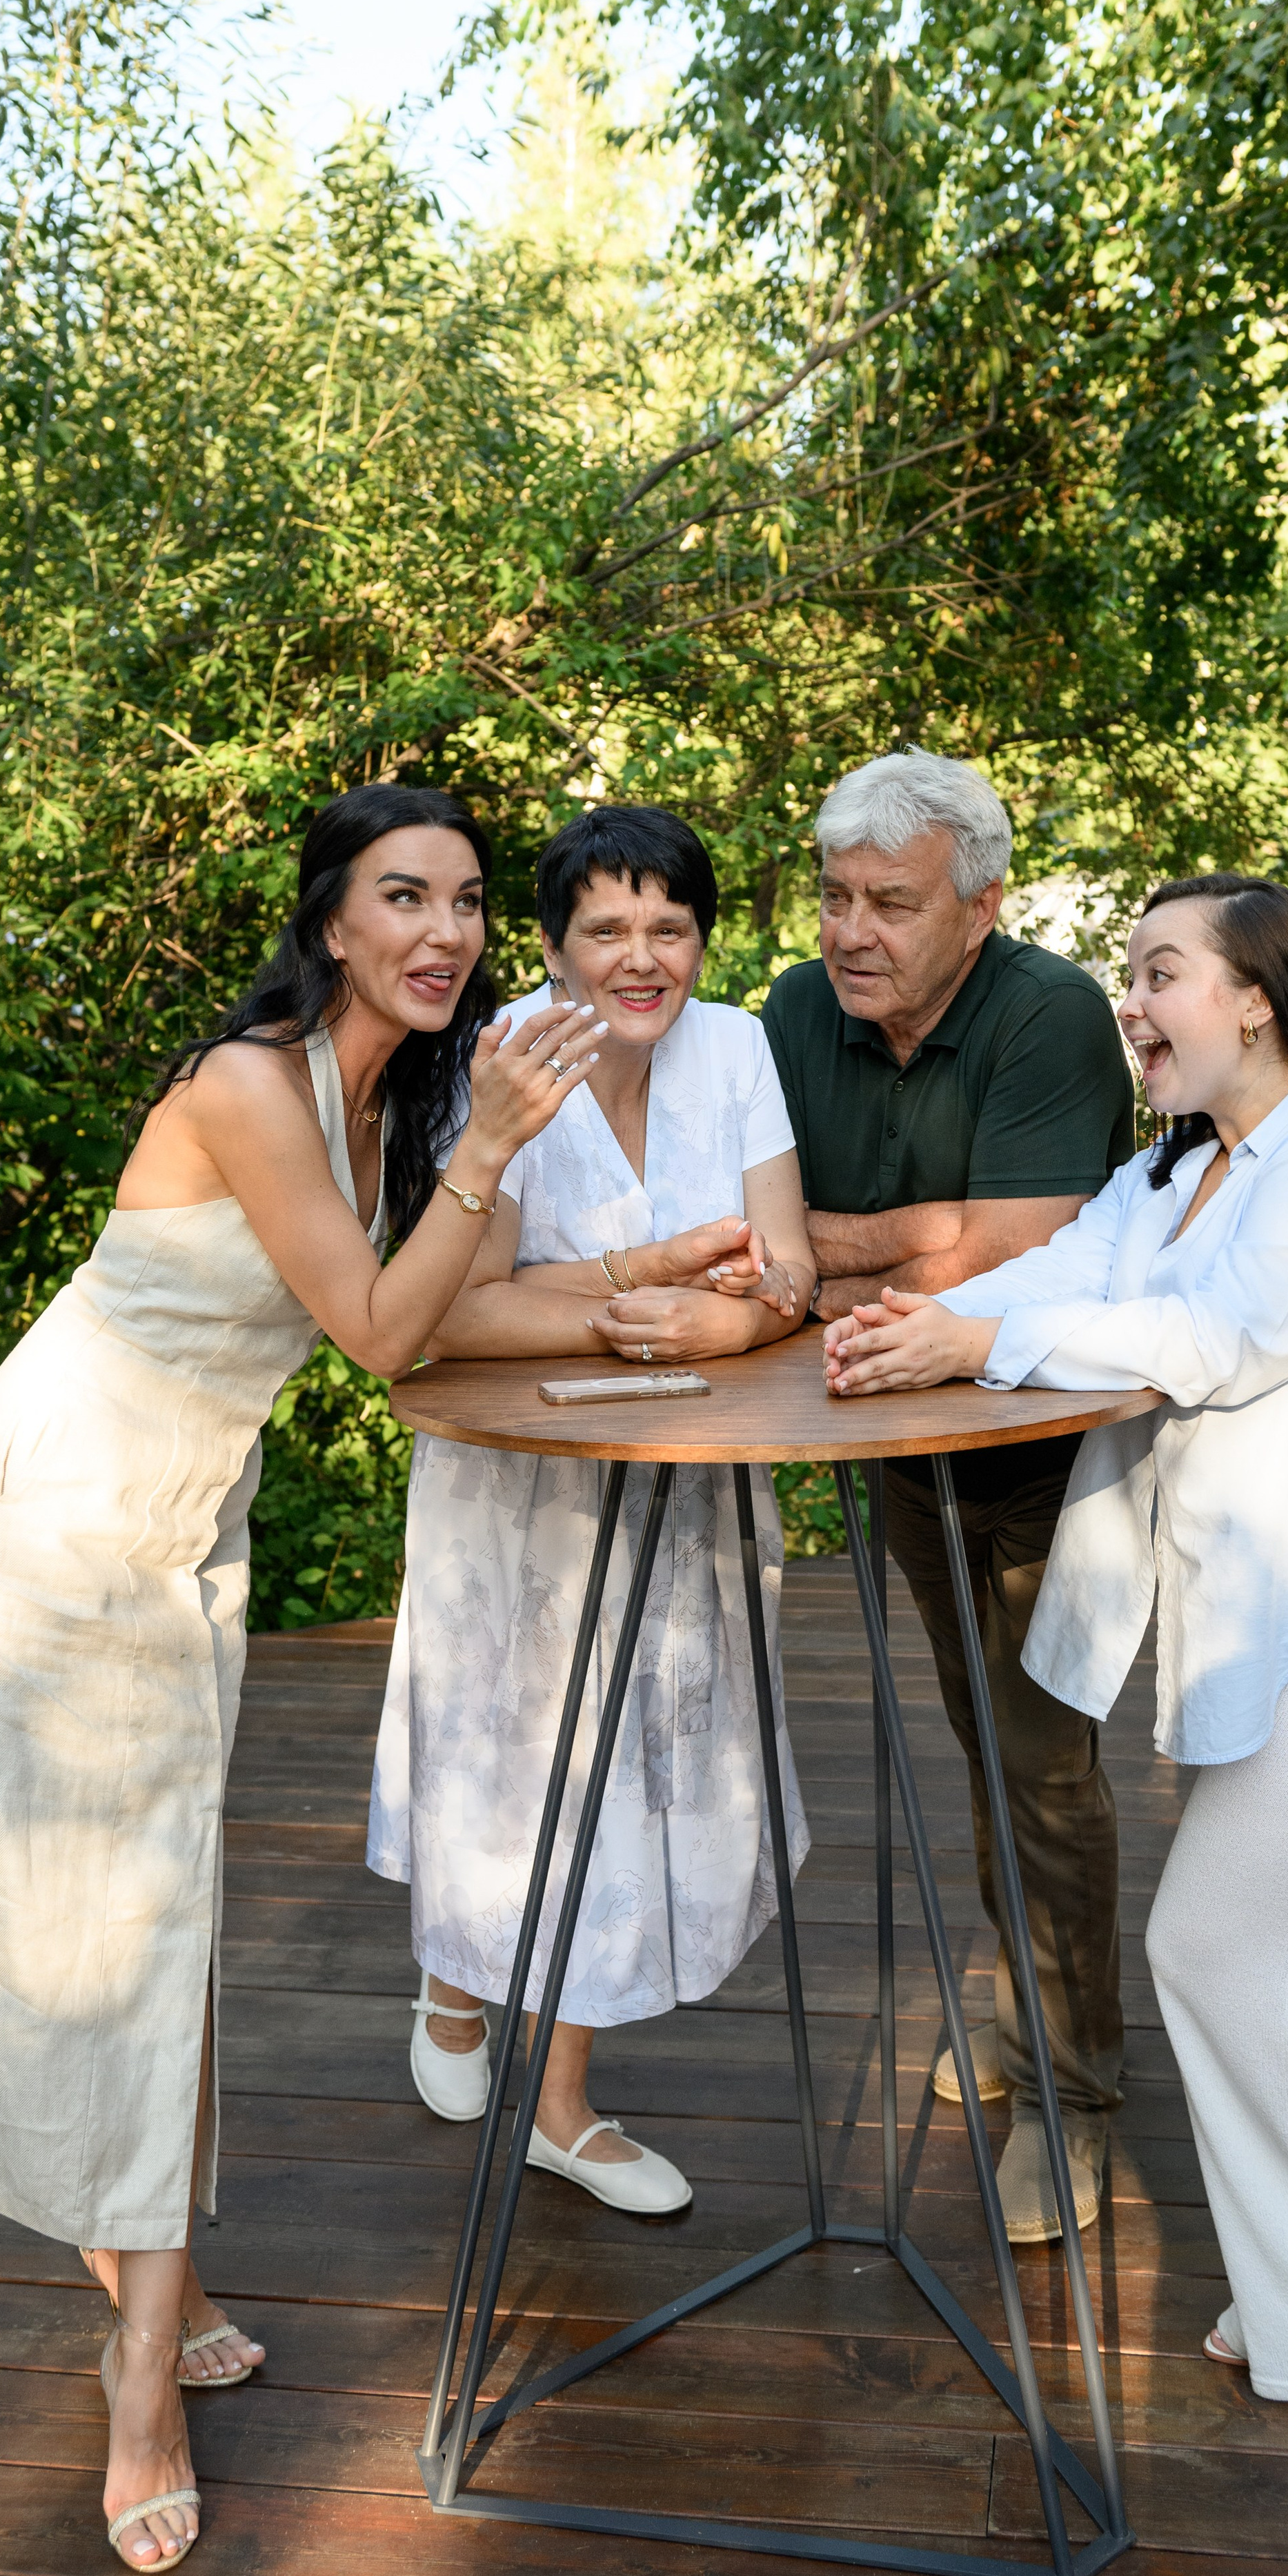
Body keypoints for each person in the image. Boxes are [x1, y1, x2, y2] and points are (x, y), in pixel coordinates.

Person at [0, 784, 606, 2574]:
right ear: (331, 922)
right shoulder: (254, 1088)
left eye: (469, 901)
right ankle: (142, 2377)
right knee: (125, 1931)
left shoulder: (392, 1104)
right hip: (58, 1520)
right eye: (404, 896)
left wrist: (638, 1290)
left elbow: (436, 1314)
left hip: (177, 1526)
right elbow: (385, 1333)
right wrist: (491, 1149)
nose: (447, 931)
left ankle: (144, 2275)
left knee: (134, 1928)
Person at [823, 871, 1288, 2421]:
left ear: (1256, 1001)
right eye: (1127, 974)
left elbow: (1222, 1340)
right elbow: (1057, 1278)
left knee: (1215, 1944)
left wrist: (976, 1341)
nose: (1129, 1004)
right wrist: (918, 1321)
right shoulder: (1170, 1175)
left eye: (1158, 974)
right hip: (1278, 1621)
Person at [368, 804, 817, 2216]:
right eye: (607, 930)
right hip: (519, 1486)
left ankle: (559, 2109)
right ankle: (457, 1981)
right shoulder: (500, 1060)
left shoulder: (736, 1049)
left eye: (669, 929)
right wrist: (653, 1292)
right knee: (509, 1762)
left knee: (622, 1780)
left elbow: (786, 1264)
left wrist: (735, 1323)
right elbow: (452, 1318)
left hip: (686, 1478)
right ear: (553, 948)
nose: (642, 958)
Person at [762, 748, 1134, 2243]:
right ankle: (1020, 2009)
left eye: (891, 904)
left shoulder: (1048, 1013)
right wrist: (924, 1240)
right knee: (981, 1735)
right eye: (835, 897)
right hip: (898, 1437)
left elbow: (1024, 1248)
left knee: (1041, 1761)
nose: (851, 932)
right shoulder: (797, 1011)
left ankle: (1070, 2095)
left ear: (977, 909)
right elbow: (757, 1234)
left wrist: (844, 1247)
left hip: (1045, 1443)